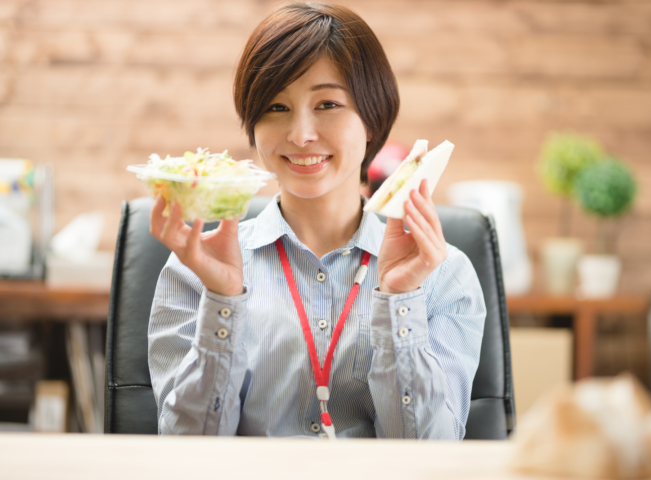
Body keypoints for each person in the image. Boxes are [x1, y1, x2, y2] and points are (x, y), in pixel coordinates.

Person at [147, 2, 486, 439]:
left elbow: (430, 454)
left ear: (371, 119)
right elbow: (184, 452)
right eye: (275, 107)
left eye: (327, 103)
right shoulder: (193, 270)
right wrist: (222, 300)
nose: (301, 134)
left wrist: (400, 300)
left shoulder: (444, 275)